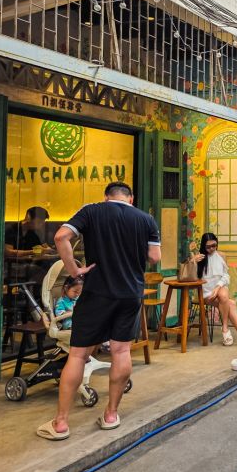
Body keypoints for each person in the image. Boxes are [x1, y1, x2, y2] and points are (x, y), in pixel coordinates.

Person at [38, 182, 161, 441]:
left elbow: (61, 237)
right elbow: (154, 257)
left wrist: (73, 270)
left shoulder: (92, 211)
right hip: (130, 293)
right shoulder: (145, 218)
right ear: (131, 198)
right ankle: (111, 415)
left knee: (78, 354)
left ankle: (61, 423)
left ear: (106, 197)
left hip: (96, 293)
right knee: (121, 351)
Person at [190, 232, 237, 349]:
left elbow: (226, 276)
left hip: (220, 289)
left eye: (214, 245)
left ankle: (225, 328)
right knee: (230, 304)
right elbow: (192, 278)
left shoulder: (221, 255)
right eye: (208, 247)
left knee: (223, 295)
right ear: (203, 246)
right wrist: (192, 261)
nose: (211, 249)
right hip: (206, 293)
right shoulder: (199, 257)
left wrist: (217, 287)